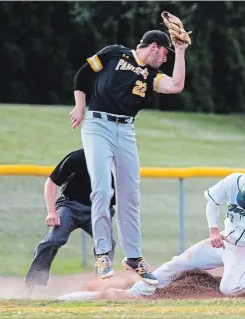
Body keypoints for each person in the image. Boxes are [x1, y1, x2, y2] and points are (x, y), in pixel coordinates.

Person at [69, 30, 188, 283]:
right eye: (166, 52)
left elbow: (176, 85)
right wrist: (80, 105)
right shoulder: (114, 53)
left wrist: (180, 51)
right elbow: (83, 74)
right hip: (97, 125)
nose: (165, 59)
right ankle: (102, 253)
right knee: (102, 190)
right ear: (154, 47)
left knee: (130, 195)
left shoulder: (153, 75)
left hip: (126, 130)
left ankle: (133, 257)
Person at [109, 172, 245, 299]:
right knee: (179, 262)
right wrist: (214, 230)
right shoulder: (234, 182)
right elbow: (212, 202)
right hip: (224, 240)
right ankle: (139, 292)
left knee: (229, 289)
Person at [21, 148, 116, 299]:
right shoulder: (78, 157)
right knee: (54, 239)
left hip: (96, 210)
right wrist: (51, 212)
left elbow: (112, 203)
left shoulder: (113, 165)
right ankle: (30, 285)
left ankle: (99, 288)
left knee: (107, 244)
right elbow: (51, 182)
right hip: (69, 206)